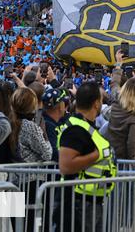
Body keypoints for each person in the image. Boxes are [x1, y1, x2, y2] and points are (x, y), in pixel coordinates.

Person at [55, 82, 116, 232]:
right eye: (101, 100)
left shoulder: (86, 126)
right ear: (96, 103)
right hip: (78, 201)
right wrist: (96, 155)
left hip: (90, 200)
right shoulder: (76, 128)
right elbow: (66, 165)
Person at [11, 87, 52, 163]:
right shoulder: (29, 126)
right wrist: (44, 133)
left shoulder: (9, 121)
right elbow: (47, 154)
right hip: (27, 173)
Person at [40, 88, 70, 161]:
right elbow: (54, 153)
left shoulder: (57, 121)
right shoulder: (47, 125)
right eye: (63, 102)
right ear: (60, 106)